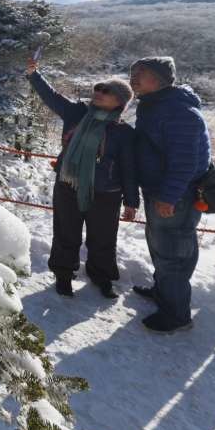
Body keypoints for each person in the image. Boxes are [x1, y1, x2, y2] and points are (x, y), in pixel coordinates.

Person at [27, 57, 138, 299]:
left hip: (106, 193)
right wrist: (34, 74)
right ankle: (63, 275)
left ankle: (103, 277)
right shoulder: (76, 112)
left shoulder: (123, 133)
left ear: (120, 102)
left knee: (104, 238)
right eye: (97, 88)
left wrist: (132, 200)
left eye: (106, 91)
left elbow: (129, 168)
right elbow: (52, 97)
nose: (98, 92)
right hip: (69, 185)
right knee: (66, 233)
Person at [128, 56, 211, 334]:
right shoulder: (156, 105)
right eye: (133, 72)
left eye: (142, 73)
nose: (134, 78)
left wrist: (169, 196)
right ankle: (164, 292)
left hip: (177, 195)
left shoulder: (178, 112)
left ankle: (176, 315)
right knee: (162, 247)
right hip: (160, 190)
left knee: (174, 252)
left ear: (161, 79)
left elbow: (185, 161)